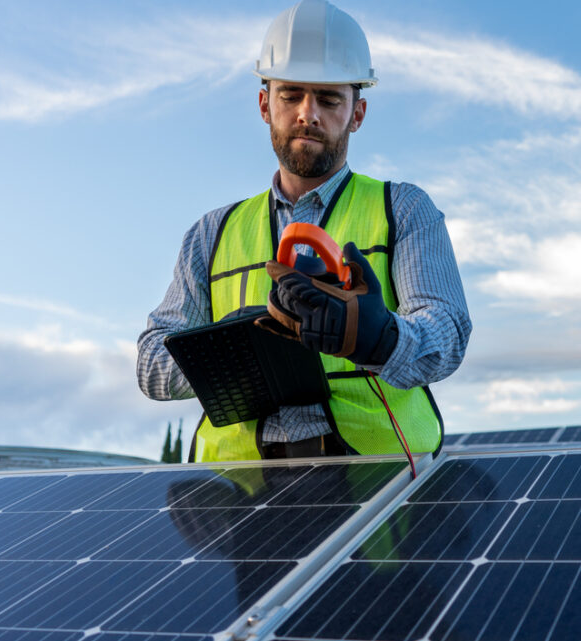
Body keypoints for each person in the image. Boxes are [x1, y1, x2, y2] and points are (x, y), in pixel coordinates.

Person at [136, 0, 471, 463]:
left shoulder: (405, 209)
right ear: (264, 104)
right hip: (236, 499)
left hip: (376, 484)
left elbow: (447, 336)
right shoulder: (209, 234)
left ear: (358, 113)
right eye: (290, 95)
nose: (307, 113)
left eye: (329, 99)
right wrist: (243, 346)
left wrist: (377, 336)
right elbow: (151, 364)